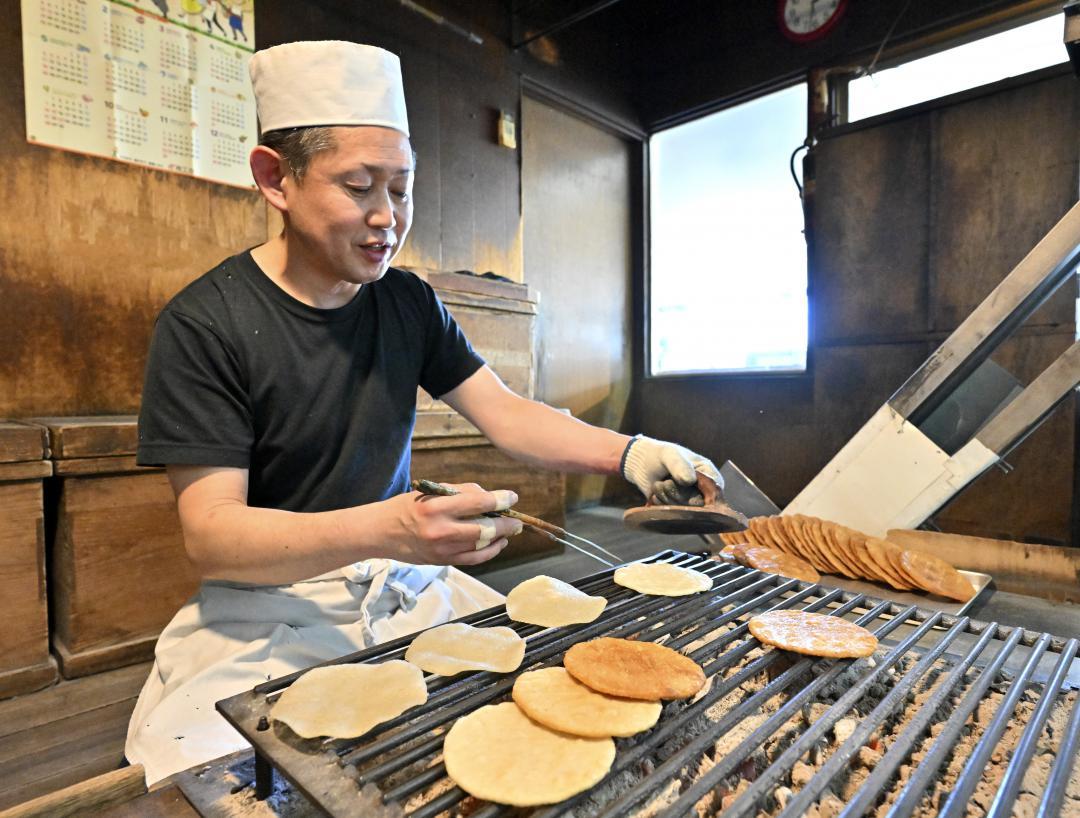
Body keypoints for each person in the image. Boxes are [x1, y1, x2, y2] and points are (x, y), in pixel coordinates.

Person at [125, 40, 722, 784]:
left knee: (532, 696)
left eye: (402, 189)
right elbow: (213, 537)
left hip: (396, 580)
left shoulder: (406, 302)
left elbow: (504, 413)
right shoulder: (204, 324)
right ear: (274, 178)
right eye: (359, 186)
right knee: (213, 762)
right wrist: (392, 527)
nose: (387, 218)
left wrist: (626, 452)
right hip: (266, 606)